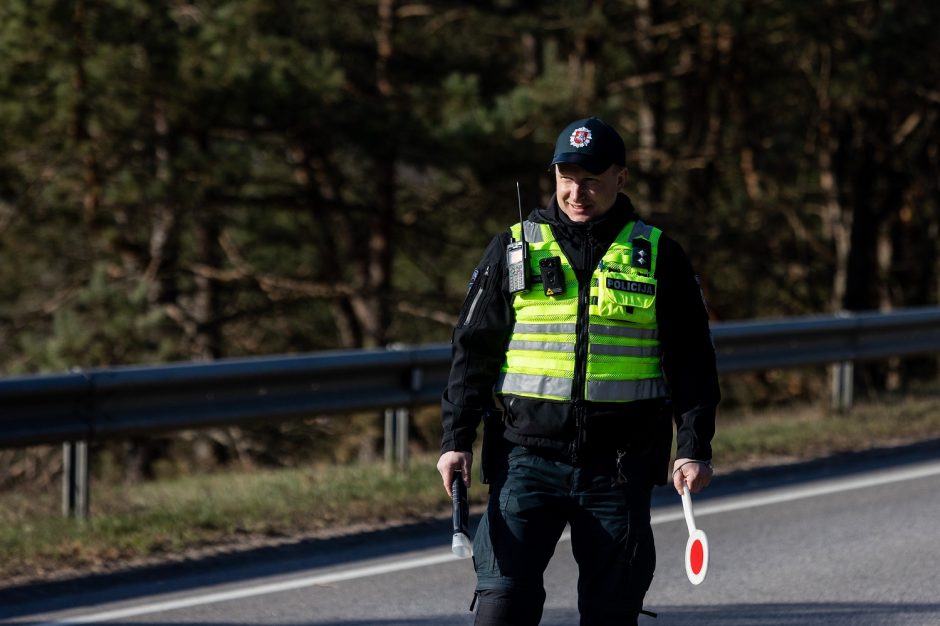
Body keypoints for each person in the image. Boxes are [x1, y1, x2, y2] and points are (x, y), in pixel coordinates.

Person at [436, 116, 720, 625]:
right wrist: (456, 438)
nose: (576, 191)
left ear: (621, 178)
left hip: (618, 465)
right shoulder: (514, 248)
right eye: (566, 177)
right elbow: (472, 349)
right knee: (502, 607)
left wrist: (693, 446)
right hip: (525, 462)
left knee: (611, 613)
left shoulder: (657, 255)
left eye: (591, 178)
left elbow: (692, 360)